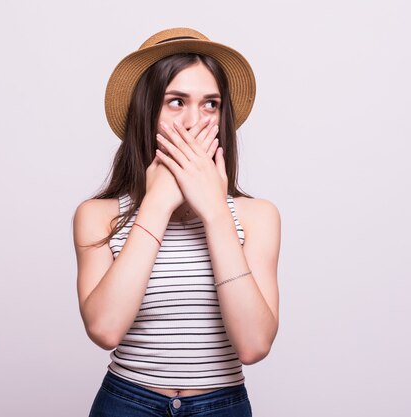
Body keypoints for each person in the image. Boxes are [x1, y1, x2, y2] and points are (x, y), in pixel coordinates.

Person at [73, 27, 281, 416]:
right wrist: (157, 203)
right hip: (127, 402)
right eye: (176, 101)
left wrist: (216, 211)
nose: (193, 120)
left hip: (221, 406)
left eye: (210, 104)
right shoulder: (98, 216)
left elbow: (254, 345)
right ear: (146, 110)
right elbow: (104, 329)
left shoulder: (258, 217)